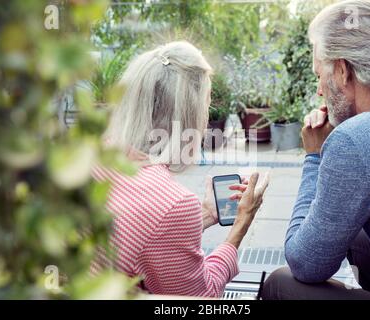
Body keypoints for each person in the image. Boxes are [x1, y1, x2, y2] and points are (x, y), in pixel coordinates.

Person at [262, 0, 370, 300]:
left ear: (342, 70)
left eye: (318, 75)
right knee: (355, 235)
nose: (319, 91)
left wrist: (314, 156)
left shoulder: (354, 140)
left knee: (281, 284)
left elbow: (304, 263)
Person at [91, 41, 269, 298]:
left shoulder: (95, 153)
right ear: (189, 115)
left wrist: (207, 212)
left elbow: (144, 234)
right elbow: (200, 299)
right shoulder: (172, 204)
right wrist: (240, 226)